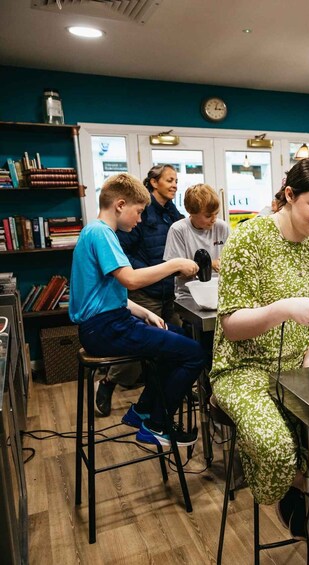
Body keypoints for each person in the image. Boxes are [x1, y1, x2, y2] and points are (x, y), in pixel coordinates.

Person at [209, 157, 309, 539]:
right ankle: (293, 488)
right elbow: (232, 327)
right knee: (276, 448)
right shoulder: (249, 238)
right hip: (243, 369)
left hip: (303, 366)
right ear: (289, 195)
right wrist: (282, 309)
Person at [70, 173, 203, 447]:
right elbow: (130, 279)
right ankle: (157, 424)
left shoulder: (94, 232)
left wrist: (143, 312)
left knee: (176, 334)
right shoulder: (101, 233)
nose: (140, 219)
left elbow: (107, 292)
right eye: (139, 212)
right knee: (194, 354)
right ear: (120, 205)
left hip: (108, 322)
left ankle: (143, 410)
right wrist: (175, 263)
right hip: (105, 328)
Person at [96, 164, 184, 416]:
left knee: (176, 339)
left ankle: (164, 394)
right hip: (145, 291)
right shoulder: (138, 213)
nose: (175, 184)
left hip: (169, 291)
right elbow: (124, 257)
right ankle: (108, 383)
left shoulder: (172, 213)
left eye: (177, 180)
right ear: (154, 182)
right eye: (169, 179)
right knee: (135, 356)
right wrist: (150, 272)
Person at [163, 183, 231, 301]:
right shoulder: (178, 230)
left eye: (216, 213)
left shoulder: (222, 227)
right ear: (191, 212)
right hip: (189, 295)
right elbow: (174, 270)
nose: (214, 219)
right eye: (208, 215)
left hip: (219, 293)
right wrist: (208, 265)